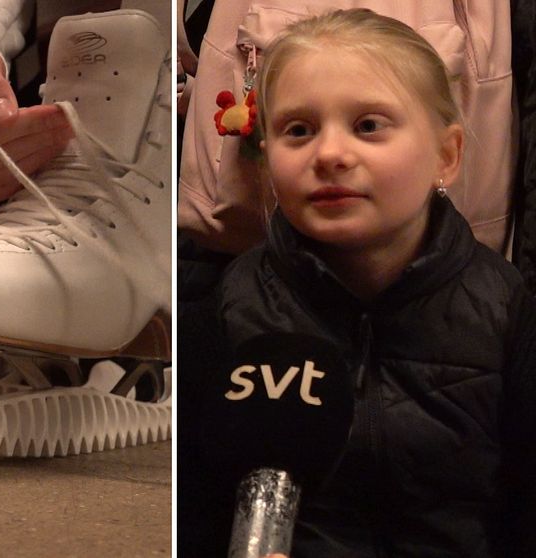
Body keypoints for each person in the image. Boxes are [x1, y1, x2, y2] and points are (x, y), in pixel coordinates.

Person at [178, 9, 536, 555]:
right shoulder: (230, 308)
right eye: (298, 130)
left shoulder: (505, 311)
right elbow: (195, 504)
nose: (330, 154)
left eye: (368, 126)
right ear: (266, 154)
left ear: (447, 155)